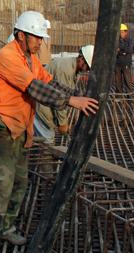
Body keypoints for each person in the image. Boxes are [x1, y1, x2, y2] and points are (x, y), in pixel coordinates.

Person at [0, 11, 98, 253]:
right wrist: (70, 102)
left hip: (22, 128)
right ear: (21, 35)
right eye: (36, 37)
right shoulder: (7, 57)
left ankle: (6, 228)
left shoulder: (30, 59)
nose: (41, 42)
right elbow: (35, 88)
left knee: (19, 182)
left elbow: (50, 82)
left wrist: (75, 96)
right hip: (2, 128)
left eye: (41, 38)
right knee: (1, 183)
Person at [34, 45, 94, 175]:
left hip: (46, 102)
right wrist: (62, 123)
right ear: (81, 58)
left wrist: (77, 94)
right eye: (87, 66)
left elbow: (65, 93)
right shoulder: (66, 69)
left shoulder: (72, 67)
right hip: (41, 104)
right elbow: (59, 98)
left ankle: (33, 167)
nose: (86, 70)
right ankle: (45, 173)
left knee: (37, 137)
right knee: (47, 138)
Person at [115, 23, 133, 95]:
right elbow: (114, 51)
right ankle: (119, 96)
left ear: (126, 32)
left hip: (126, 64)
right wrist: (123, 52)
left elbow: (129, 50)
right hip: (117, 64)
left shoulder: (130, 40)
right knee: (118, 81)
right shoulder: (116, 41)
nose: (120, 34)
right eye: (119, 32)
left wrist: (119, 51)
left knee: (127, 80)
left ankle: (130, 96)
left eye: (122, 32)